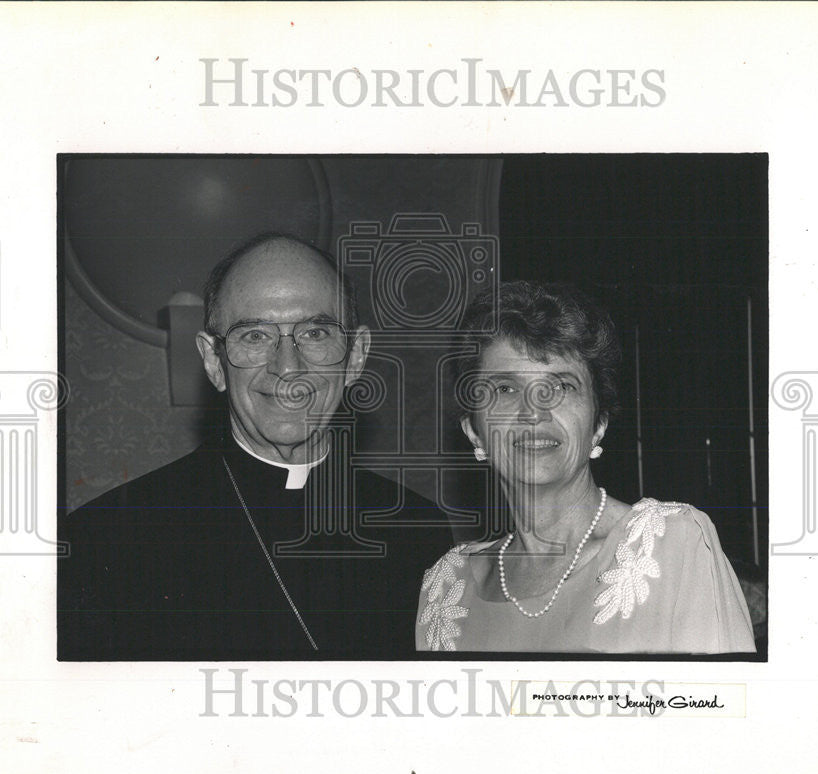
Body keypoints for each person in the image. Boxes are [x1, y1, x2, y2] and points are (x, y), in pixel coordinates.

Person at [59, 234, 451, 660]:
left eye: (315, 332)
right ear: (214, 361)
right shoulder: (109, 538)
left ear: (355, 356)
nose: (287, 366)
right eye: (254, 336)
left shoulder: (418, 529)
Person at [416, 281, 755, 653]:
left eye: (561, 386)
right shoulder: (446, 589)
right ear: (474, 432)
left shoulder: (674, 546)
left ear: (598, 424)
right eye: (505, 389)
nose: (533, 413)